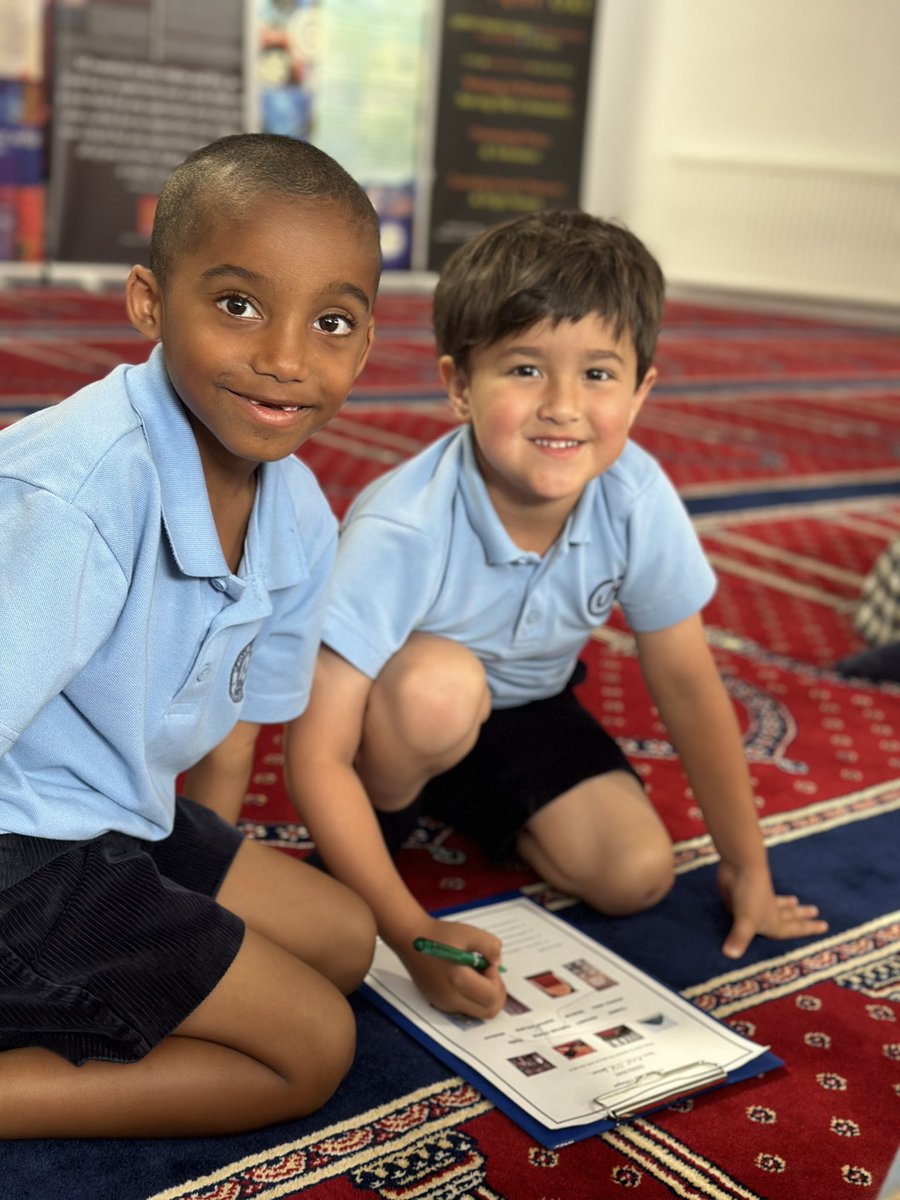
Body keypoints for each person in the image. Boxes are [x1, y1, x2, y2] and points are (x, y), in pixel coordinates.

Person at [285, 210, 828, 1021]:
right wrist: (408, 934)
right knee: (437, 692)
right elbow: (313, 751)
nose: (564, 407)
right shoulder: (402, 526)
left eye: (599, 375)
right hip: (402, 711)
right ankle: (397, 805)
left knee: (634, 875)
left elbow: (686, 683)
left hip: (530, 704)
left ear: (642, 390)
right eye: (526, 369)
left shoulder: (634, 494)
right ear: (459, 385)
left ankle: (466, 792)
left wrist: (746, 866)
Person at [0, 133, 381, 1138]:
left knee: (346, 941)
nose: (288, 358)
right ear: (148, 303)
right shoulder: (76, 491)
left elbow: (233, 729)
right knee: (309, 1050)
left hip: (112, 813)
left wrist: (184, 911)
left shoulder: (298, 512)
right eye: (239, 305)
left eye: (332, 321)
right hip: (15, 850)